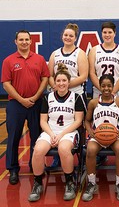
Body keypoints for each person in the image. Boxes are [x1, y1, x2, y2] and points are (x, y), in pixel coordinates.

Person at [28, 64, 85, 202]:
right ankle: (37, 183)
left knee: (63, 149)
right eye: (58, 81)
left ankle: (69, 182)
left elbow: (78, 121)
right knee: (38, 150)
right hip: (50, 131)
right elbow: (43, 121)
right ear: (54, 82)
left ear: (69, 82)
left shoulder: (76, 97)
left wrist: (60, 135)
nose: (61, 83)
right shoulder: (48, 98)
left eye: (64, 81)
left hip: (69, 132)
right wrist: (52, 134)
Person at [1, 30, 50, 185]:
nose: (24, 42)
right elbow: (6, 84)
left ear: (30, 41)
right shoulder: (8, 61)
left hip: (36, 103)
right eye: (21, 39)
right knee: (14, 137)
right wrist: (21, 99)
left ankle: (35, 165)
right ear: (15, 41)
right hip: (16, 104)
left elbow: (45, 78)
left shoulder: (39, 59)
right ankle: (13, 169)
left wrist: (35, 97)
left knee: (37, 136)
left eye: (26, 39)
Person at [48, 23, 88, 168]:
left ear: (75, 38)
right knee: (55, 123)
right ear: (62, 36)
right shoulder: (55, 54)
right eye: (66, 35)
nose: (68, 37)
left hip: (76, 94)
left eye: (71, 35)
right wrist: (57, 86)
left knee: (80, 125)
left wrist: (63, 85)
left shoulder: (80, 53)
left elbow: (83, 76)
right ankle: (57, 156)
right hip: (58, 96)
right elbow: (50, 75)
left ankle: (82, 156)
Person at [89, 21, 119, 165]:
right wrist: (102, 89)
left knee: (118, 120)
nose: (107, 35)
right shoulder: (94, 50)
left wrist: (112, 90)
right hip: (98, 91)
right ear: (102, 33)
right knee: (98, 120)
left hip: (117, 91)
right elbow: (91, 73)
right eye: (105, 32)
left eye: (110, 32)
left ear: (114, 33)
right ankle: (100, 153)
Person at [82, 74, 119, 202]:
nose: (106, 88)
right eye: (103, 86)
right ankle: (91, 183)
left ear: (113, 87)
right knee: (90, 151)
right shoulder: (93, 102)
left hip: (114, 134)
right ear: (99, 87)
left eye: (109, 86)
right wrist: (91, 132)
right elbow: (87, 120)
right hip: (98, 134)